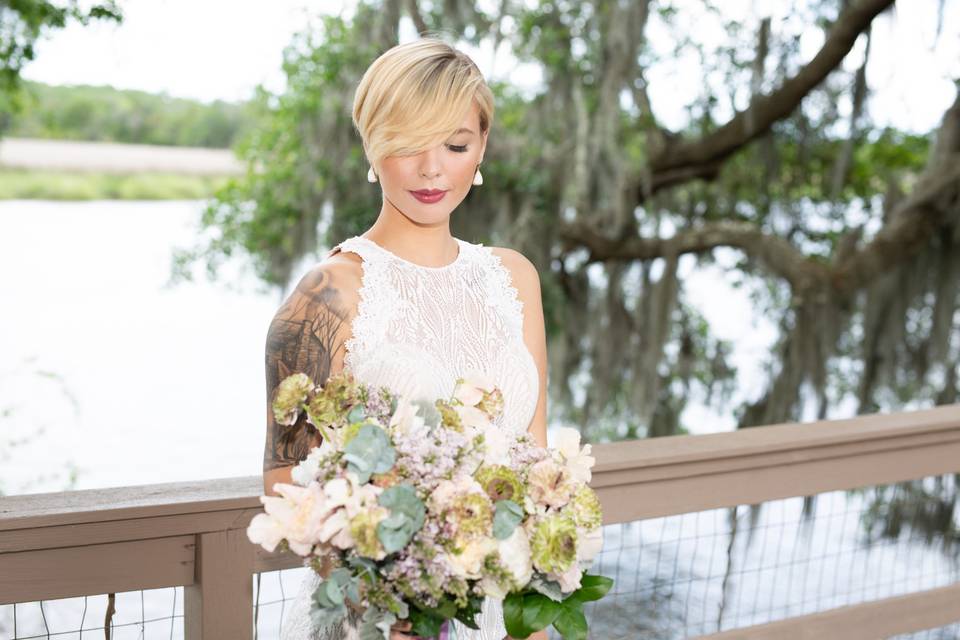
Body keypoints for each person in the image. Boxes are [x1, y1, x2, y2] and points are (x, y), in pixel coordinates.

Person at [261, 36, 549, 640]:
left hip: (498, 612)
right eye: (408, 144)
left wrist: (537, 616)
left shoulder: (515, 279)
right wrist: (396, 587)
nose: (431, 168)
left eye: (455, 144)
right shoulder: (325, 297)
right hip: (380, 618)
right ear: (372, 145)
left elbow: (534, 463)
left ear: (482, 148)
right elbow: (287, 490)